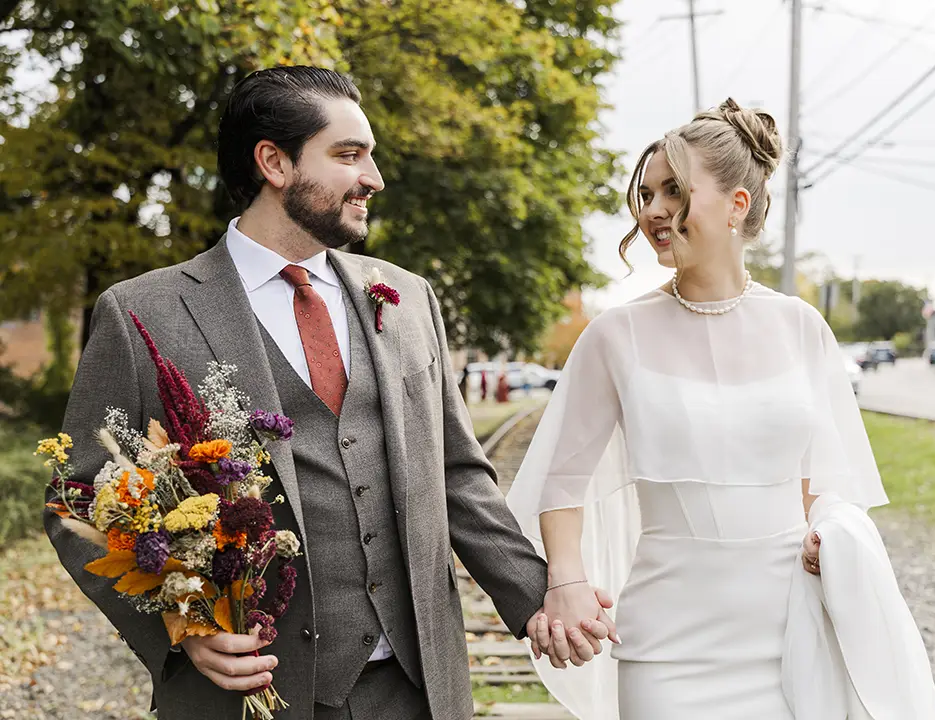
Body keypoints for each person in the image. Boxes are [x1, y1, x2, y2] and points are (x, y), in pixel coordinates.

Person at [44, 66, 597, 720]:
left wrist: (540, 597)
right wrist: (183, 627)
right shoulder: (143, 313)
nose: (374, 178)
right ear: (274, 163)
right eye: (349, 155)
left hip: (416, 692)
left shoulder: (408, 297)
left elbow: (455, 473)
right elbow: (76, 499)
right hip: (253, 694)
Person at [509, 100, 935, 719]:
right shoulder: (614, 336)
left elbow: (828, 484)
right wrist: (567, 583)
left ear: (738, 205)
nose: (653, 210)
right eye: (648, 193)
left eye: (674, 191)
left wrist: (829, 531)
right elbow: (561, 483)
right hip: (667, 643)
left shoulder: (801, 328)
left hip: (794, 625)